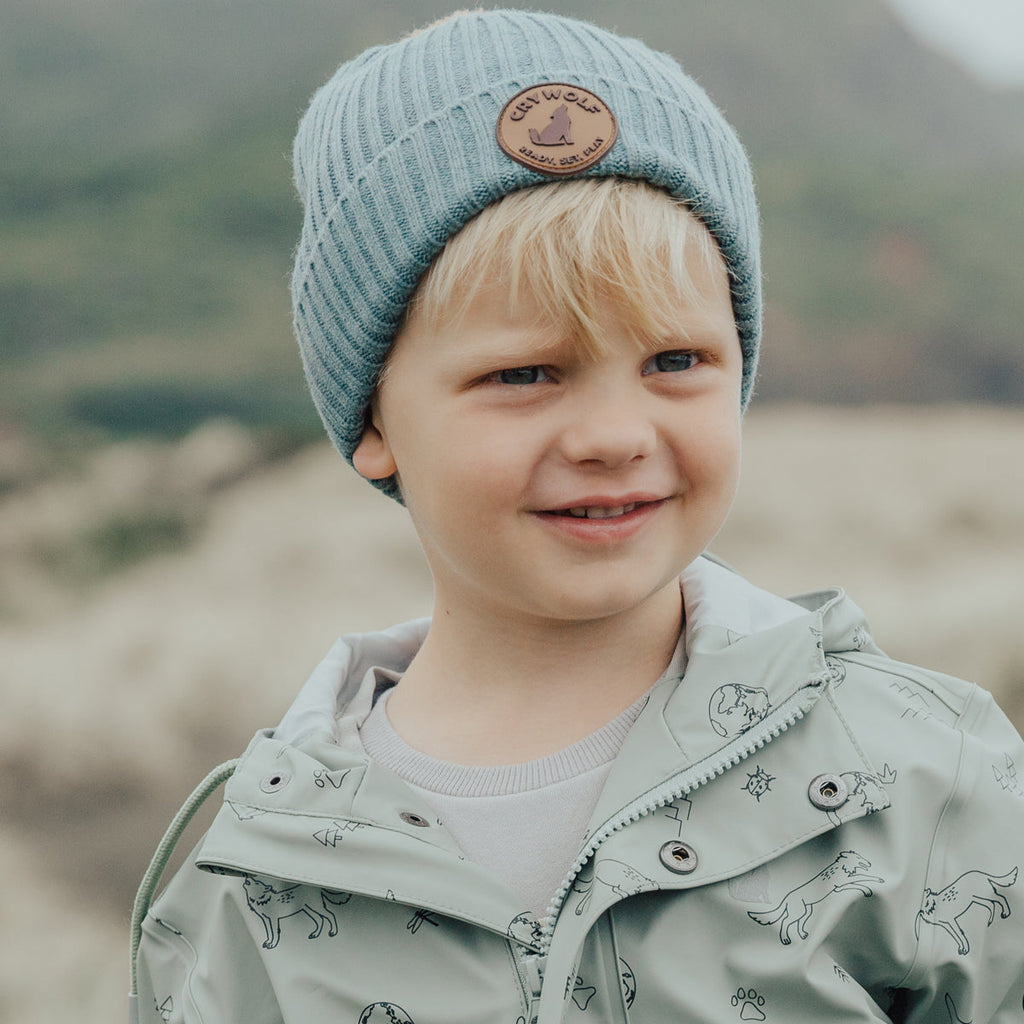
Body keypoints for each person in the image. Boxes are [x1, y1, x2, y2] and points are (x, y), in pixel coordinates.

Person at [129, 10, 1024, 1023]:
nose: (610, 432)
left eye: (675, 361)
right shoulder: (246, 880)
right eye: (523, 372)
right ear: (375, 419)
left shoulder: (922, 777)